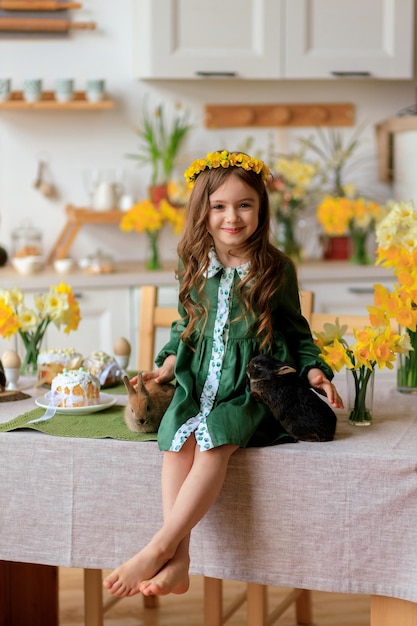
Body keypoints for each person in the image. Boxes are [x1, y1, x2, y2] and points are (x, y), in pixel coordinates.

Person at [103, 150, 344, 598]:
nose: (232, 216)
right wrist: (171, 361)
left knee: (214, 442)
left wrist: (314, 371)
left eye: (244, 204)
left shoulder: (277, 269)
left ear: (261, 208)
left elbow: (297, 331)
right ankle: (181, 562)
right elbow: (184, 324)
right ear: (203, 212)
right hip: (200, 384)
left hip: (251, 390)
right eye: (219, 206)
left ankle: (158, 549)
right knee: (177, 441)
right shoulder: (193, 265)